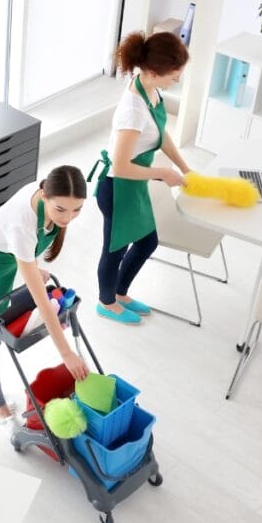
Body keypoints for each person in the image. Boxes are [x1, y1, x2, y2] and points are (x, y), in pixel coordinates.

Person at [0, 166, 90, 426]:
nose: (69, 217)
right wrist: (66, 353)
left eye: (77, 210)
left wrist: (29, 265)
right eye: (61, 209)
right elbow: (42, 302)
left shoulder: (45, 201)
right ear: (44, 193)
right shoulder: (23, 222)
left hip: (3, 267)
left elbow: (17, 243)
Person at [89, 30, 191, 325]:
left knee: (147, 242)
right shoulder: (132, 110)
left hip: (133, 186)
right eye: (174, 76)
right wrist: (162, 173)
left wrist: (185, 168)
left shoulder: (151, 90)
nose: (177, 81)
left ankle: (120, 293)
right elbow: (120, 167)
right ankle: (106, 302)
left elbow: (161, 136)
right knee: (114, 249)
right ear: (154, 72)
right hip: (118, 188)